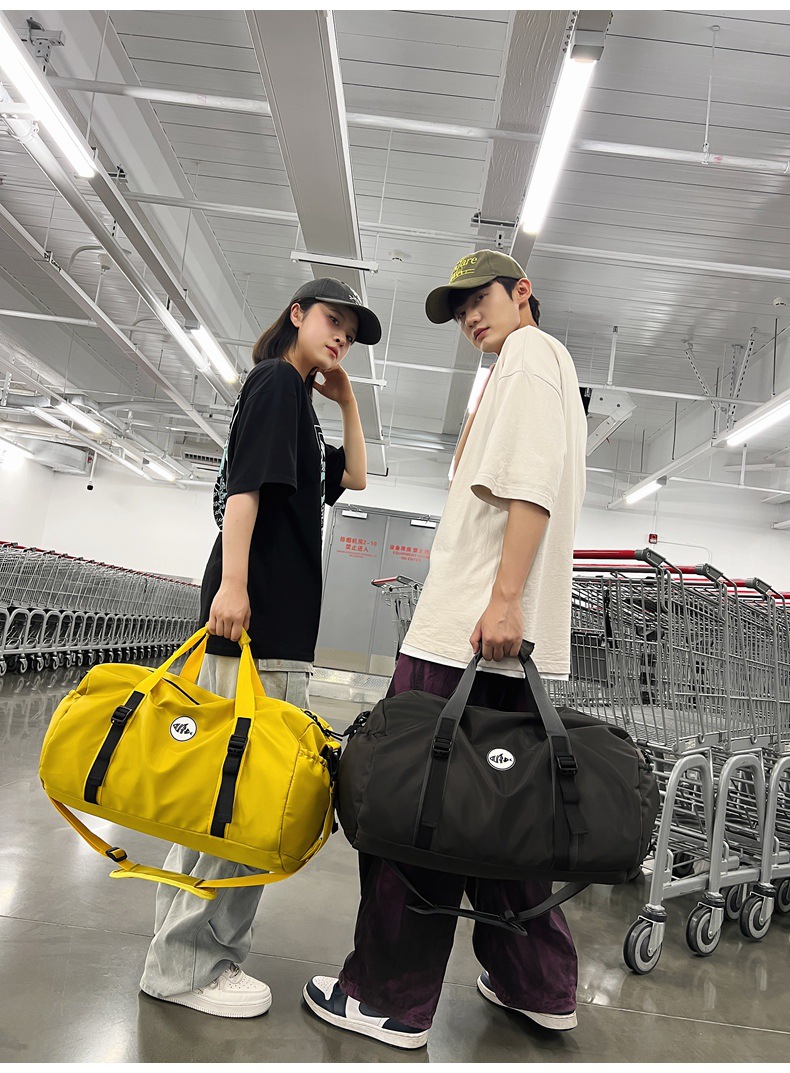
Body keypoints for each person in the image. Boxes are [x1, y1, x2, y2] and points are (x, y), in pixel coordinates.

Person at [303, 250, 587, 1049]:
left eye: (479, 298)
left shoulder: (527, 356)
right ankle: (537, 981)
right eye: (458, 309)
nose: (468, 316)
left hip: (465, 634)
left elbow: (528, 485)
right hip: (509, 647)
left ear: (522, 292)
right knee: (503, 816)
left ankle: (388, 997)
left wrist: (503, 598)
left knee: (414, 812)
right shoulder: (543, 366)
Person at [140, 278, 381, 1018]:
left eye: (350, 335)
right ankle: (193, 965)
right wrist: (234, 586)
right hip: (259, 624)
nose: (340, 338)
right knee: (246, 803)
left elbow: (355, 476)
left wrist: (347, 400)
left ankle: (178, 952)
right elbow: (243, 492)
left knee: (218, 796)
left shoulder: (297, 402)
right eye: (333, 321)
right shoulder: (277, 383)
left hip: (267, 625)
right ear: (297, 315)